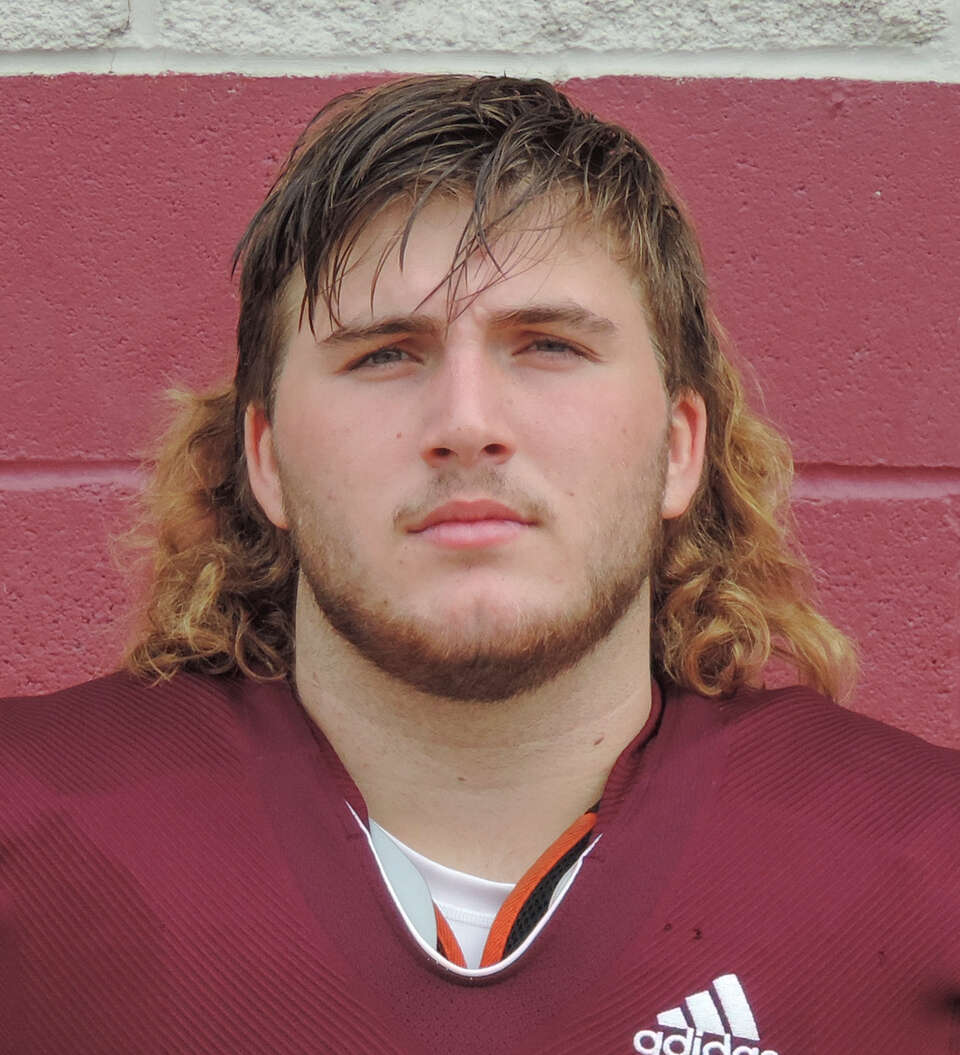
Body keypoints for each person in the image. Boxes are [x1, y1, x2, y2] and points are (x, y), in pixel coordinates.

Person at [1, 75, 956, 1055]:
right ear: (266, 458)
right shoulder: (29, 833)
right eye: (384, 353)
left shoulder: (924, 868)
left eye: (547, 344)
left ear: (678, 448)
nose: (466, 422)